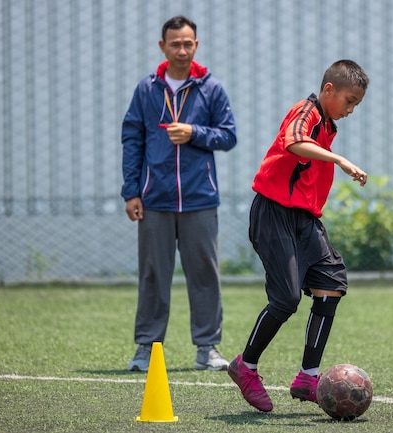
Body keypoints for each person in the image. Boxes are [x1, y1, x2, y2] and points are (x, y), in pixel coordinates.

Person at [227, 60, 369, 412]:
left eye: (356, 105)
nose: (351, 110)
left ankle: (307, 377)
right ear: (329, 90)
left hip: (303, 220)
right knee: (287, 299)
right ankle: (246, 366)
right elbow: (293, 142)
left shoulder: (328, 124)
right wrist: (341, 160)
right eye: (349, 101)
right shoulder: (306, 111)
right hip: (273, 213)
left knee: (331, 284)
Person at [121, 15, 236, 372]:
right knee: (154, 273)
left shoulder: (211, 88)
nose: (182, 50)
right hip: (154, 199)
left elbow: (228, 136)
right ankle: (147, 349)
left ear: (196, 46)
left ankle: (207, 349)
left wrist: (194, 132)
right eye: (175, 44)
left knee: (204, 273)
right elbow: (132, 141)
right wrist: (131, 192)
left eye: (188, 44)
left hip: (200, 198)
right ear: (163, 47)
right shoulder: (147, 89)